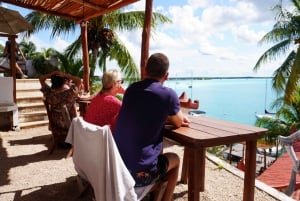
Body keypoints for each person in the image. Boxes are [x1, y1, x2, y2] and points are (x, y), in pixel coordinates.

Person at [113, 53, 190, 201]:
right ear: (166, 75)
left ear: (145, 71)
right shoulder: (168, 95)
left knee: (155, 155)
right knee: (174, 159)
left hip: (118, 168)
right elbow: (179, 122)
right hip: (139, 176)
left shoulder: (131, 90)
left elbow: (140, 113)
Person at [39, 70, 82, 146]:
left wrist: (52, 73)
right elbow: (79, 81)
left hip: (57, 126)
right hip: (70, 128)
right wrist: (65, 75)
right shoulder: (69, 93)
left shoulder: (49, 93)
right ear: (64, 82)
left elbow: (41, 79)